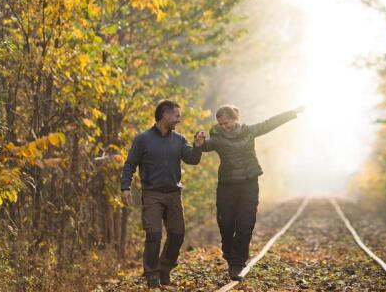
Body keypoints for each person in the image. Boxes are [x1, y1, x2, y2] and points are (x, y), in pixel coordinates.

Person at [200, 104, 304, 280]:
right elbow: (206, 146)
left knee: (245, 224)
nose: (224, 126)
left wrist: (292, 113)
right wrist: (200, 143)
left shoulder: (248, 131)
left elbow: (270, 123)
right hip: (227, 185)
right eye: (221, 123)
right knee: (225, 224)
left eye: (227, 122)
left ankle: (237, 264)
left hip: (249, 184)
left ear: (235, 119)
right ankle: (229, 253)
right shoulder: (216, 136)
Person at [120, 99, 207, 289]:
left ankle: (164, 268)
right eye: (176, 114)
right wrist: (125, 187)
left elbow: (192, 159)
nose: (179, 118)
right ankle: (152, 274)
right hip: (152, 194)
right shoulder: (143, 139)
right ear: (165, 115)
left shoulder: (179, 139)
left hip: (174, 194)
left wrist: (198, 145)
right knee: (154, 235)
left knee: (177, 234)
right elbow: (129, 164)